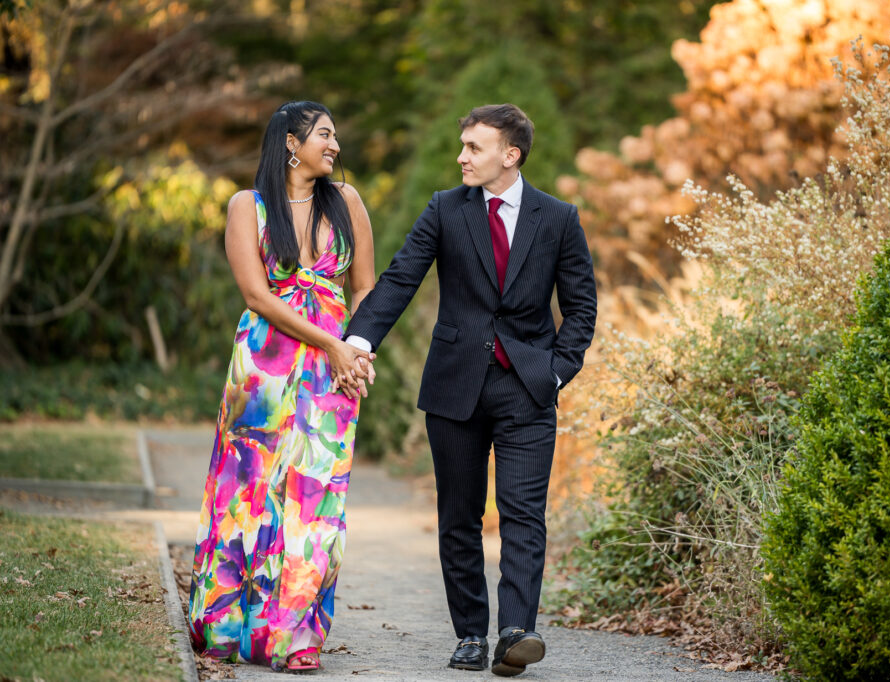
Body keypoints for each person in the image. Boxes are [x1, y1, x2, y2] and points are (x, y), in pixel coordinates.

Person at [345, 103, 597, 676]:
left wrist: (557, 370)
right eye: (462, 146)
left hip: (528, 388)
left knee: (523, 514)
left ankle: (515, 632)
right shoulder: (445, 209)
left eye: (473, 148)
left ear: (510, 155)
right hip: (455, 385)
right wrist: (359, 341)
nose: (461, 156)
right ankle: (469, 635)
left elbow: (581, 307)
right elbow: (401, 278)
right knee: (458, 516)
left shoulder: (558, 218)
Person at [187, 100, 375, 673]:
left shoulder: (347, 202)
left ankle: (294, 637)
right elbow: (257, 296)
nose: (335, 144)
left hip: (332, 370)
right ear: (290, 143)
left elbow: (366, 286)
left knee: (317, 499)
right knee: (248, 492)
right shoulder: (248, 205)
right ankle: (226, 624)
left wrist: (355, 349)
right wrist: (330, 342)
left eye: (336, 134)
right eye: (324, 134)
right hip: (263, 369)